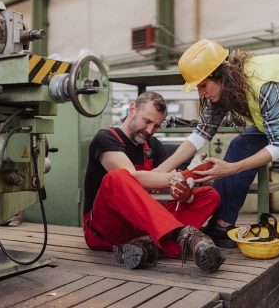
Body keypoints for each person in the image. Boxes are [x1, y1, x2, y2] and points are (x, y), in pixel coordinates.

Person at [154, 39, 279, 308]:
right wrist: (160, 172)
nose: (201, 93)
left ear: (220, 74)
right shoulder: (223, 89)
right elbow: (201, 134)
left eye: (202, 85)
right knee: (239, 146)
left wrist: (231, 169)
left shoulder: (263, 84)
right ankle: (222, 226)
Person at [82, 90, 225, 273]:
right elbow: (134, 177)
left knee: (209, 195)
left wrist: (185, 190)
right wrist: (186, 175)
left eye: (156, 126)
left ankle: (147, 246)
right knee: (117, 177)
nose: (150, 130)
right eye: (147, 121)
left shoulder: (153, 145)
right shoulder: (106, 139)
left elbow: (175, 185)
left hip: (144, 226)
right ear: (132, 109)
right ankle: (180, 235)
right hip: (106, 228)